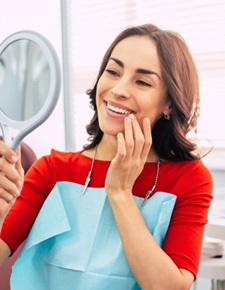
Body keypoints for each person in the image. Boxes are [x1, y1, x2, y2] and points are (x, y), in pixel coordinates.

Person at [0, 23, 213, 290]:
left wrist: (120, 192)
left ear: (169, 102)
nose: (119, 89)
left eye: (143, 81)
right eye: (113, 72)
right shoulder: (52, 169)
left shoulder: (190, 179)